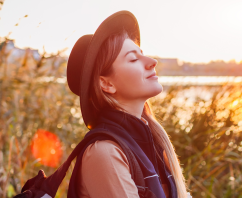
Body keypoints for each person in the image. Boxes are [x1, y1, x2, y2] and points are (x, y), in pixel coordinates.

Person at [66, 11, 189, 198]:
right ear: (106, 84)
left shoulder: (154, 144)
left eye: (143, 54)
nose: (152, 62)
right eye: (133, 59)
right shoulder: (104, 153)